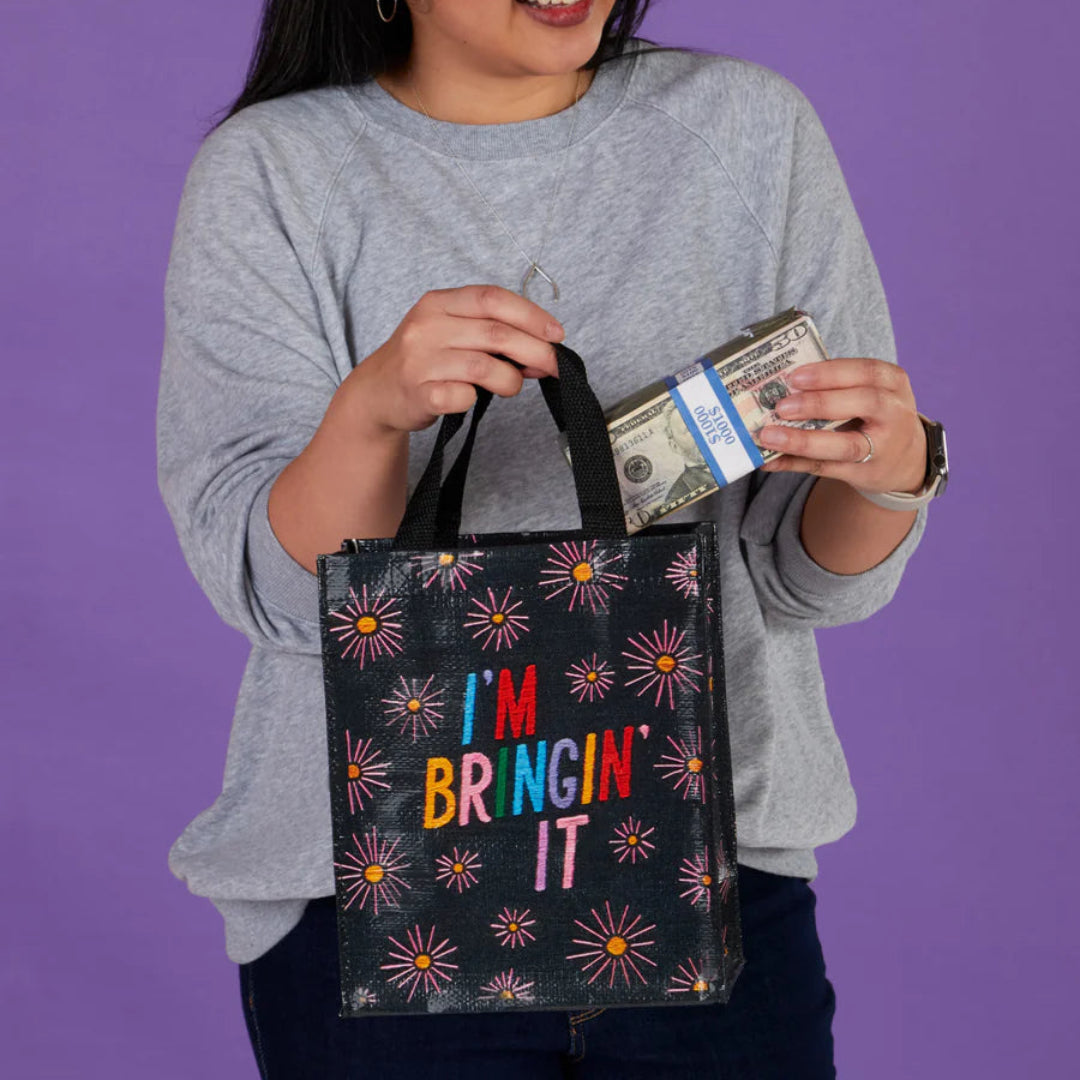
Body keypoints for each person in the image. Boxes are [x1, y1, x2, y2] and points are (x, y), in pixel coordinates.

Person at [157, 1, 939, 1075]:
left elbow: (802, 581)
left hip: (710, 879)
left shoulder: (750, 129)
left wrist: (890, 474)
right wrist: (373, 412)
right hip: (382, 898)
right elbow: (279, 596)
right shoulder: (275, 170)